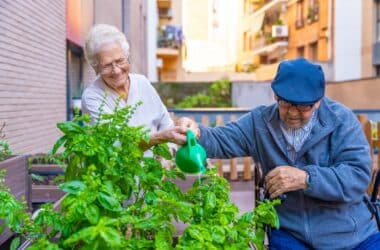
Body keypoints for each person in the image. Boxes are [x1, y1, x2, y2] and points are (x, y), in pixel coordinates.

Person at [176, 58, 380, 249]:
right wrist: (196, 132)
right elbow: (221, 140)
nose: (292, 112)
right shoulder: (259, 122)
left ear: (318, 101)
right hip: (291, 232)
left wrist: (306, 178)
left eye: (302, 107)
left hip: (351, 234)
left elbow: (357, 175)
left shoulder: (341, 121)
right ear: (275, 96)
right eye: (285, 103)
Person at [82, 24, 185, 149]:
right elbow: (116, 144)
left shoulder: (142, 83)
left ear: (127, 57)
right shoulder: (92, 96)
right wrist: (161, 137)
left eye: (120, 61)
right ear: (95, 67)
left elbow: (166, 123)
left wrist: (167, 155)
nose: (117, 71)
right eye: (107, 65)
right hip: (118, 169)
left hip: (155, 167)